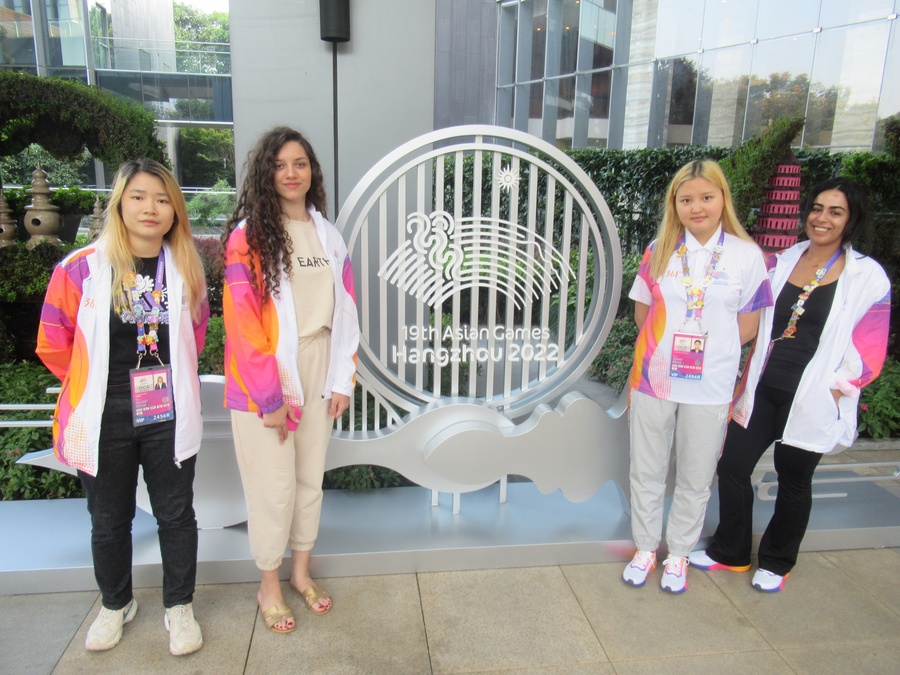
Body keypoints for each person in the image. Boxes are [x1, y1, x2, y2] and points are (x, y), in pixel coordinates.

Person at [36, 159, 209, 654]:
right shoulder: (80, 269)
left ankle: (179, 606)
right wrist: (91, 386)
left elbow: (193, 338)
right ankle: (116, 604)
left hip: (166, 408)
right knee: (109, 519)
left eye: (161, 198)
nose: (150, 207)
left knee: (176, 514)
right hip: (104, 410)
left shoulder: (187, 270)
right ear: (120, 203)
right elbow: (53, 341)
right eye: (138, 196)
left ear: (175, 210)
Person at [689, 177, 891, 592]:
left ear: (850, 220)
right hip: (764, 386)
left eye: (835, 211)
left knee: (793, 477)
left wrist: (838, 388)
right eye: (817, 208)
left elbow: (870, 347)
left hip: (814, 393)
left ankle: (778, 562)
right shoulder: (780, 261)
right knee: (732, 465)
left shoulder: (867, 277)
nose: (822, 218)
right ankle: (732, 552)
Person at [222, 127, 359, 633]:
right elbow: (243, 325)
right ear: (266, 173)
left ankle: (301, 573)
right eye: (280, 165)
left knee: (308, 480)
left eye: (300, 163)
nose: (291, 173)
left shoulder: (329, 233)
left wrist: (343, 377)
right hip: (269, 376)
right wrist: (270, 397)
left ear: (312, 171)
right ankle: (269, 585)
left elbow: (346, 310)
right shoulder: (249, 238)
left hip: (320, 364)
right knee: (272, 487)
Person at [622, 159, 773, 593]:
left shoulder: (748, 257)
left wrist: (712, 352)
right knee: (647, 468)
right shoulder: (660, 249)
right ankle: (646, 548)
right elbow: (642, 312)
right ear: (675, 204)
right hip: (655, 379)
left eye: (707, 197)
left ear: (723, 199)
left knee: (696, 473)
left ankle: (680, 554)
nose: (697, 207)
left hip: (711, 386)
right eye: (686, 199)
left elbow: (748, 326)